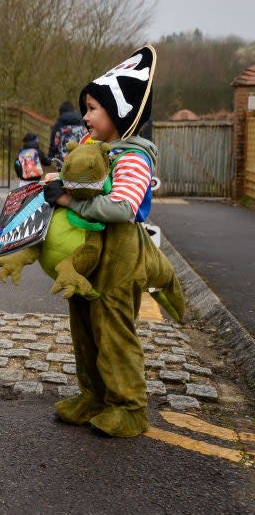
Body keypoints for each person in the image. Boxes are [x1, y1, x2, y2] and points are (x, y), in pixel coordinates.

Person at [44, 45, 160, 437]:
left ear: (120, 113)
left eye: (93, 108)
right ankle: (92, 395)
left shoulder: (133, 158)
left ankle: (128, 406)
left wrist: (69, 198)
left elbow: (122, 208)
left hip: (120, 254)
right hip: (89, 253)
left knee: (113, 327)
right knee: (84, 325)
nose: (85, 116)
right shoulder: (97, 150)